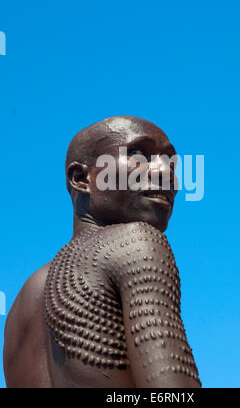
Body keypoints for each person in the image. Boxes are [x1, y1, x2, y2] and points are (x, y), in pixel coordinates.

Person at [3, 116, 201, 388]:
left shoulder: (22, 304)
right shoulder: (134, 244)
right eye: (138, 155)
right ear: (82, 178)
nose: (165, 172)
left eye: (171, 162)